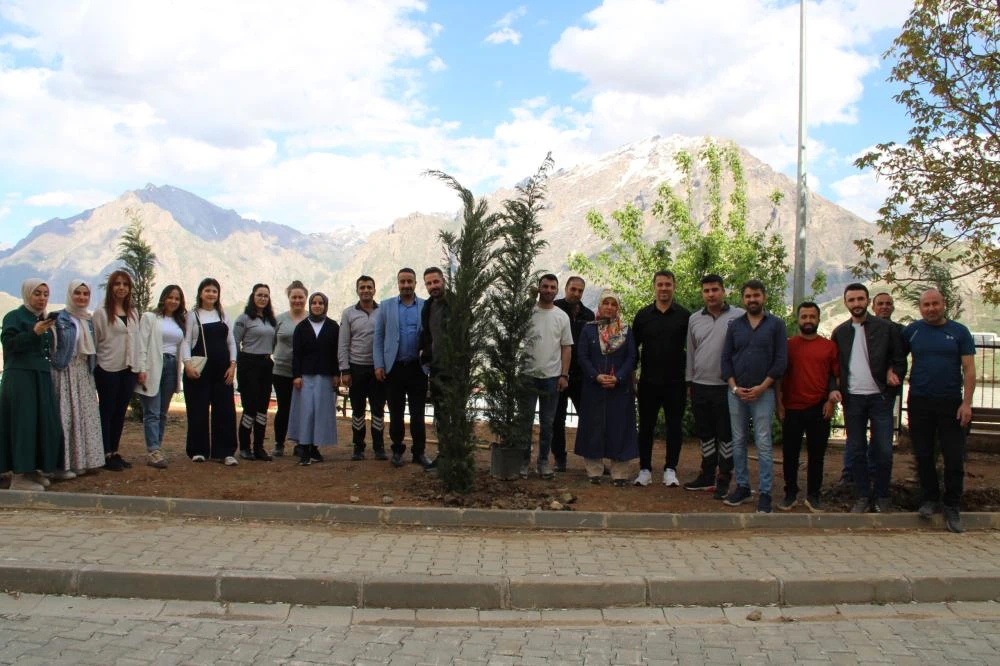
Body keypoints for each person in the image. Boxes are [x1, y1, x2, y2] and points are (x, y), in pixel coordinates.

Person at [903, 288, 976, 533]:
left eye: (935, 304)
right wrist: (893, 371)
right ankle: (930, 499)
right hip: (920, 402)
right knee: (924, 455)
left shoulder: (959, 332)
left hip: (951, 404)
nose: (931, 308)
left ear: (943, 304)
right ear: (920, 308)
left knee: (954, 457)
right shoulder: (912, 331)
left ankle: (952, 506)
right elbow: (896, 358)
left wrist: (966, 403)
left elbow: (969, 370)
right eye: (926, 305)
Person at [831, 283, 906, 513]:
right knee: (856, 448)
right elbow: (834, 367)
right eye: (851, 300)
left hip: (880, 398)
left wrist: (894, 373)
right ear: (846, 303)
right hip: (853, 399)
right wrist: (835, 388)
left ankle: (882, 496)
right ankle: (862, 496)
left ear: (867, 301)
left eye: (860, 299)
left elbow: (900, 359)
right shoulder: (840, 332)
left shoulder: (886, 328)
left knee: (883, 448)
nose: (856, 304)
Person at [721, 280, 787, 513]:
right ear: (743, 299)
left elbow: (781, 361)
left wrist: (762, 386)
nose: (752, 300)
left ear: (764, 297)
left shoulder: (776, 325)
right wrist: (734, 387)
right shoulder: (735, 325)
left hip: (764, 393)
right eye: (748, 296)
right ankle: (742, 487)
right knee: (738, 441)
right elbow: (726, 359)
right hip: (737, 392)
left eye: (756, 295)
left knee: (763, 443)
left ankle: (766, 493)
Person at [775, 302, 840, 512]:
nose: (808, 320)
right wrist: (780, 404)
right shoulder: (788, 345)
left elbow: (835, 376)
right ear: (798, 319)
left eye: (812, 316)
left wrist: (830, 402)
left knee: (816, 455)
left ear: (818, 319)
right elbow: (779, 377)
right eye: (804, 317)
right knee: (790, 454)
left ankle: (814, 496)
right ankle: (790, 493)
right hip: (792, 407)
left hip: (819, 408)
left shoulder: (829, 346)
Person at [684, 274, 744, 498]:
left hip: (726, 385)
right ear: (703, 294)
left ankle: (724, 477)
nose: (711, 294)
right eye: (707, 290)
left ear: (723, 291)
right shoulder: (694, 319)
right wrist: (690, 381)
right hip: (700, 384)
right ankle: (707, 474)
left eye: (715, 290)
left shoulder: (738, 315)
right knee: (706, 433)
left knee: (726, 434)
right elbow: (691, 352)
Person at [0, 279, 63, 490]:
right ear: (27, 294)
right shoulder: (14, 317)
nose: (42, 298)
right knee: (23, 424)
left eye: (45, 294)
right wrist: (33, 333)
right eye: (37, 293)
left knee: (41, 423)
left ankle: (32, 470)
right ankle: (18, 476)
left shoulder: (43, 319)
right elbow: (9, 345)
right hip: (21, 378)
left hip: (41, 377)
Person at [632, 270, 690, 487]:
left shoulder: (685, 316)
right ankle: (645, 469)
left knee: (675, 427)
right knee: (646, 427)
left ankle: (670, 469)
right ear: (654, 286)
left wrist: (690, 379)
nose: (664, 288)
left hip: (676, 382)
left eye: (668, 284)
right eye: (660, 284)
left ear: (674, 286)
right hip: (648, 382)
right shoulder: (643, 315)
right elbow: (633, 349)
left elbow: (692, 350)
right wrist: (632, 377)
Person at [575, 290, 638, 486]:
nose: (609, 307)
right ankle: (594, 470)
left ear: (617, 308)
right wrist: (596, 375)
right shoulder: (589, 330)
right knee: (593, 427)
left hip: (619, 388)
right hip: (594, 387)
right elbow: (582, 356)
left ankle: (619, 473)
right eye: (606, 303)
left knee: (620, 427)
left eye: (613, 304)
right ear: (600, 307)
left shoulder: (626, 330)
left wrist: (618, 377)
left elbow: (631, 357)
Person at [374, 268, 432, 469]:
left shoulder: (426, 305)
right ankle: (397, 450)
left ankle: (419, 453)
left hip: (418, 369)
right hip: (394, 369)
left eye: (410, 281)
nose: (406, 285)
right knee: (396, 414)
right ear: (397, 283)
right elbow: (378, 338)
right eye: (402, 282)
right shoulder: (386, 306)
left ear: (415, 283)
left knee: (418, 415)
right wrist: (379, 364)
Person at [521, 273, 573, 479]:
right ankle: (523, 461)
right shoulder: (528, 312)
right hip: (527, 374)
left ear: (557, 290)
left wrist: (564, 375)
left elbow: (566, 348)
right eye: (545, 286)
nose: (549, 290)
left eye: (553, 287)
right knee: (524, 422)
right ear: (539, 288)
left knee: (548, 423)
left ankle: (543, 462)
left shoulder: (562, 317)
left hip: (552, 377)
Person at [182, 277, 238, 466]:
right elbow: (186, 341)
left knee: (225, 410)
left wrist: (233, 365)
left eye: (214, 291)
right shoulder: (193, 315)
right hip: (199, 370)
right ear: (200, 293)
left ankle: (225, 451)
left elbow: (231, 342)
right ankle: (198, 450)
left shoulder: (223, 315)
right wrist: (187, 364)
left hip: (222, 370)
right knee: (198, 409)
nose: (211, 294)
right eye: (208, 290)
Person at [50, 280, 103, 478]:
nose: (81, 297)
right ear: (70, 295)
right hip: (65, 372)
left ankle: (81, 462)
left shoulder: (88, 320)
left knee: (84, 417)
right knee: (66, 417)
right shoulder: (58, 318)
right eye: (77, 293)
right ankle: (62, 466)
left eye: (85, 294)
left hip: (83, 372)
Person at [92, 269, 141, 471]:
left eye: (125, 284)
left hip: (128, 369)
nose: (121, 288)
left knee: (120, 412)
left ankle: (114, 450)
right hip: (107, 368)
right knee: (107, 411)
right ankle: (104, 453)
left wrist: (138, 367)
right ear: (111, 287)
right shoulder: (101, 313)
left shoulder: (133, 313)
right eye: (117, 284)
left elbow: (136, 341)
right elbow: (96, 342)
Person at [134, 285, 186, 469]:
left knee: (162, 413)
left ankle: (157, 448)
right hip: (153, 366)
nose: (173, 301)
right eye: (170, 297)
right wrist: (141, 368)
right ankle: (153, 450)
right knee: (152, 412)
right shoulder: (150, 317)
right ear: (163, 298)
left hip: (172, 367)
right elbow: (141, 343)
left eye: (177, 298)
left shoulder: (181, 322)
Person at [339, 276, 385, 461]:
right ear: (357, 290)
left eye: (369, 287)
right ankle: (358, 447)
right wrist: (345, 369)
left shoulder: (383, 312)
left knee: (378, 409)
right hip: (356, 368)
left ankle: (379, 447)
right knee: (357, 409)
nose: (366, 290)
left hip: (378, 368)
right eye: (362, 287)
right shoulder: (348, 313)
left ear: (374, 289)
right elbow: (343, 343)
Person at [291, 292, 340, 466]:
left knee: (321, 412)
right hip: (305, 377)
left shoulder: (334, 327)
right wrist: (296, 376)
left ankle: (315, 448)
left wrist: (336, 374)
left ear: (325, 306)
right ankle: (304, 447)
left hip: (326, 376)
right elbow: (296, 354)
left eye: (320, 303)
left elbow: (337, 353)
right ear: (310, 305)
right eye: (314, 303)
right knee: (306, 412)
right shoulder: (302, 327)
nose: (317, 306)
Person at [552, 276, 595, 473]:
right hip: (558, 372)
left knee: (587, 417)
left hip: (581, 375)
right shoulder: (555, 308)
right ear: (566, 288)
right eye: (573, 289)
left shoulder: (588, 315)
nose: (576, 293)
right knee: (557, 418)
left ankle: (593, 459)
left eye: (580, 290)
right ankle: (560, 458)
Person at [234, 284, 276, 462]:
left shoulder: (270, 320)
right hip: (248, 364)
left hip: (266, 364)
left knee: (262, 408)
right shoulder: (244, 318)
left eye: (266, 295)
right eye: (260, 295)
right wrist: (238, 363)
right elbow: (234, 342)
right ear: (253, 297)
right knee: (250, 407)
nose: (263, 298)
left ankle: (259, 447)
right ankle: (244, 447)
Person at [270, 280, 308, 457]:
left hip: (304, 371)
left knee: (302, 408)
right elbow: (272, 343)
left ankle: (300, 443)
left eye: (301, 297)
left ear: (306, 298)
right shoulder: (279, 320)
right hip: (281, 371)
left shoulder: (311, 318)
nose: (297, 300)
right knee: (284, 408)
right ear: (289, 298)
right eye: (294, 297)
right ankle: (279, 443)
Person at [418, 266, 447, 468]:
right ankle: (444, 455)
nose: (433, 286)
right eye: (429, 283)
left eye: (436, 282)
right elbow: (427, 334)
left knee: (455, 414)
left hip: (455, 369)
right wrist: (424, 353)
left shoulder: (456, 303)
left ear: (443, 280)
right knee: (441, 415)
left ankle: (456, 455)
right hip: (436, 369)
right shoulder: (428, 306)